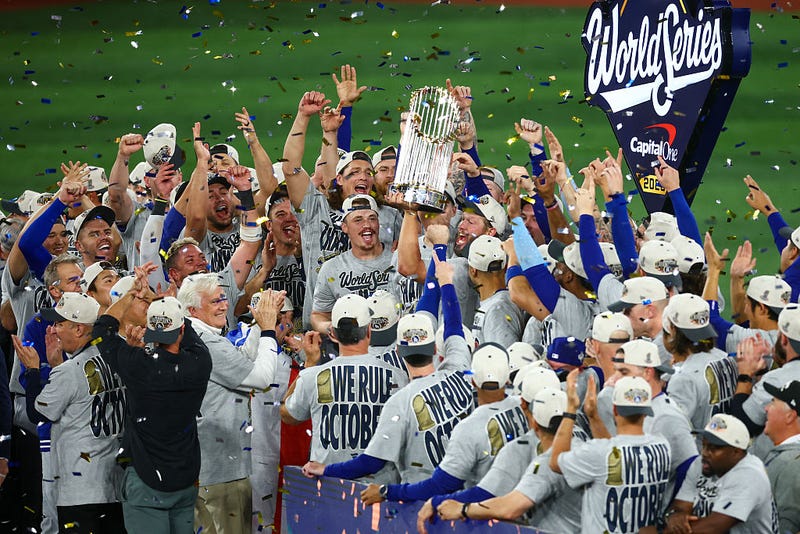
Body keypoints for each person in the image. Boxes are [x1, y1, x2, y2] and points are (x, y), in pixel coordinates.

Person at [93, 266, 212, 533]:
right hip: (185, 480)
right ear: (180, 330)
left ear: (149, 331)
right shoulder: (199, 361)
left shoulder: (137, 364)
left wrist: (133, 294)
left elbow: (102, 329)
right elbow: (186, 330)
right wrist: (166, 302)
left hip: (147, 484)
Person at [13, 292, 127, 533]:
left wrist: (33, 371)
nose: (53, 330)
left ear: (78, 330)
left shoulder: (70, 371)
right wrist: (57, 364)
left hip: (80, 491)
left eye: (59, 324)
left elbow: (38, 414)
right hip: (115, 486)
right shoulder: (115, 357)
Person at [360, 342, 529, 505]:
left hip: (485, 518)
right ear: (508, 378)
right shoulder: (526, 408)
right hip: (526, 510)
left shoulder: (469, 428)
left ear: (473, 380)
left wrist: (387, 492)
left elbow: (440, 486)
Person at [178, 274, 282, 534]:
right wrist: (269, 330)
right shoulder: (206, 342)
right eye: (215, 301)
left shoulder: (195, 335)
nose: (224, 305)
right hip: (219, 471)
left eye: (223, 298)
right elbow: (260, 379)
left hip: (207, 466)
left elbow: (240, 363)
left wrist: (258, 325)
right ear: (193, 310)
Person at [281, 293, 407, 483]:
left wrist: (309, 363)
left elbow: (287, 414)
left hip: (329, 488)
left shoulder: (312, 377)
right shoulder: (397, 376)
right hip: (379, 492)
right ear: (369, 331)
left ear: (332, 334)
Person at [426, 387, 582, 534]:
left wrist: (462, 509)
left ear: (534, 423)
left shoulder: (547, 463)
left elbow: (509, 508)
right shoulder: (583, 448)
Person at [550, 372, 672, 534]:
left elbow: (555, 462)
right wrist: (593, 417)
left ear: (614, 409)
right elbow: (613, 453)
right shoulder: (662, 445)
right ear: (645, 411)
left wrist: (570, 410)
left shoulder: (598, 452)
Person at [666, 414, 778, 534]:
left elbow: (713, 528)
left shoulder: (750, 475)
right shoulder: (701, 463)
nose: (704, 453)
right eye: (703, 445)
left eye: (713, 448)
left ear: (736, 451)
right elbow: (680, 507)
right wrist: (674, 517)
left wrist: (672, 530)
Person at [310, 194, 397, 333]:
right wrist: (332, 329)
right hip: (352, 350)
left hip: (394, 349)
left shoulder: (398, 261)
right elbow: (318, 315)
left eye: (372, 219)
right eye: (358, 220)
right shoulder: (331, 269)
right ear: (345, 227)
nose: (367, 225)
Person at [468, 235, 525, 347]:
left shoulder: (498, 310)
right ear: (504, 268)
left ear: (473, 270)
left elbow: (502, 358)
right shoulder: (497, 303)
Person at [761, 380, 800, 533]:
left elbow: (786, 527)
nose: (766, 408)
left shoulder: (792, 465)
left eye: (772, 403)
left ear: (790, 416)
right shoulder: (788, 457)